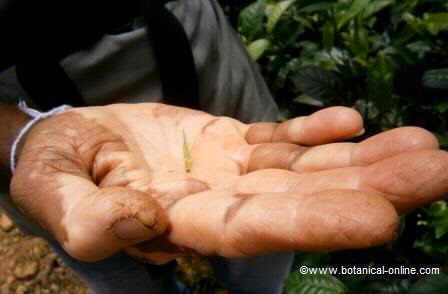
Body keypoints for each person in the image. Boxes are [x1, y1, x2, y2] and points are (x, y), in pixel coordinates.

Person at [1, 0, 448, 293]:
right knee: (108, 254)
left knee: (260, 233)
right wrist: (20, 134)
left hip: (189, 44)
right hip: (18, 85)